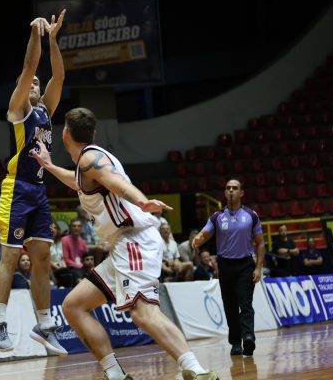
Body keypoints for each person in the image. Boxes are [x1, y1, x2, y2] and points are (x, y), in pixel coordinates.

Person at [32, 107, 218, 380]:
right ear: (93, 133)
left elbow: (115, 182)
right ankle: (115, 374)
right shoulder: (86, 164)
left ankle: (196, 370)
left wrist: (142, 201)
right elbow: (79, 182)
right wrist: (48, 166)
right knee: (73, 306)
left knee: (142, 312)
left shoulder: (91, 158)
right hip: (123, 245)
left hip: (134, 239)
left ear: (65, 134)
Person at [0, 10, 67, 357]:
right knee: (10, 255)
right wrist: (36, 34)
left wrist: (53, 39)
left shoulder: (46, 111)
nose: (35, 83)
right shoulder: (18, 109)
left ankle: (44, 324)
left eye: (38, 82)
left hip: (38, 190)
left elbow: (59, 76)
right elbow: (29, 66)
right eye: (31, 82)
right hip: (16, 188)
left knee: (43, 258)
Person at [192, 178, 265, 358]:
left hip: (245, 265)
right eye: (228, 188)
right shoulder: (217, 216)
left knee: (245, 303)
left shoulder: (251, 215)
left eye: (235, 188)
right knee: (230, 305)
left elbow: (260, 243)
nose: (231, 190)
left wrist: (258, 268)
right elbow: (205, 232)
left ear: (241, 193)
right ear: (225, 193)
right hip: (225, 266)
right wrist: (198, 239)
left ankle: (248, 337)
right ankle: (236, 343)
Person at [61, 218, 89, 283]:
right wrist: (79, 265)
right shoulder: (65, 240)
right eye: (74, 226)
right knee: (77, 271)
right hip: (71, 267)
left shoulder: (83, 241)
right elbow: (66, 259)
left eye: (79, 226)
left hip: (82, 266)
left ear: (81, 228)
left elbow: (87, 256)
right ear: (70, 228)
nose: (76, 228)